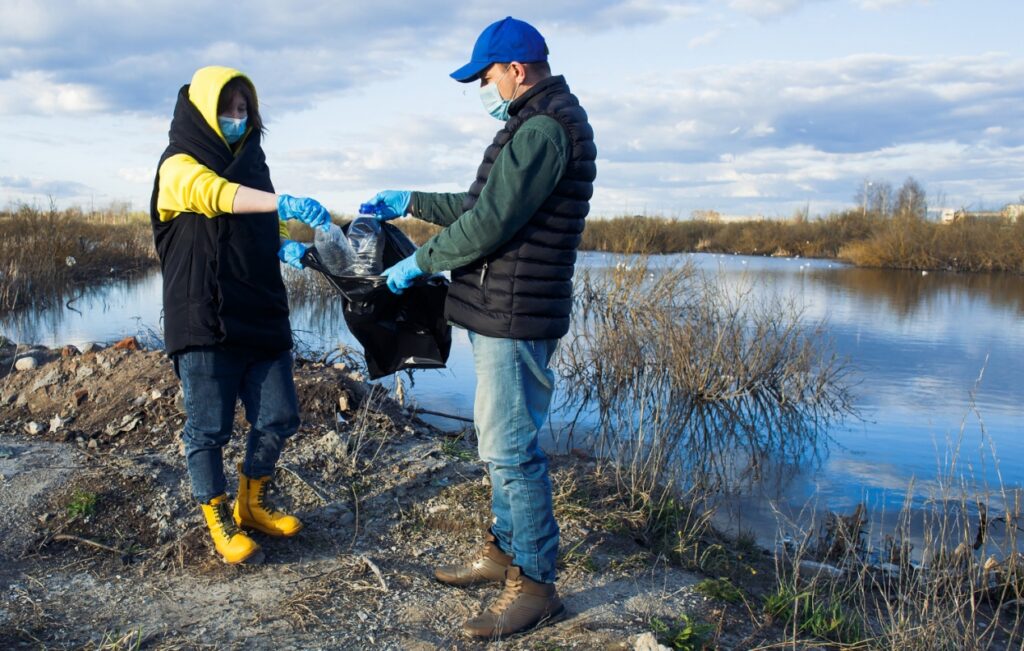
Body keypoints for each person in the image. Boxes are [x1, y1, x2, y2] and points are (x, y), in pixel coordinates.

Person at [363, 17, 596, 638]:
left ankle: (536, 583)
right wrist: (410, 201)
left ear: (516, 69)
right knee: (498, 443)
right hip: (502, 310)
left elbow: (488, 227)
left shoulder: (545, 129)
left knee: (510, 449)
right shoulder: (531, 125)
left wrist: (420, 262)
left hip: (517, 315)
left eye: (486, 76)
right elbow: (477, 205)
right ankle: (501, 555)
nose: (482, 89)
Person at [150, 65, 329, 565]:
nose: (236, 117)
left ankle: (252, 503)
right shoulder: (177, 167)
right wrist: (282, 202)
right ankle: (219, 518)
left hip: (261, 311)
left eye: (243, 109)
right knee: (207, 429)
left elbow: (256, 225)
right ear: (204, 111)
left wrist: (284, 244)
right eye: (227, 108)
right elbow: (215, 195)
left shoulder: (254, 163)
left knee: (280, 415)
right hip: (204, 316)